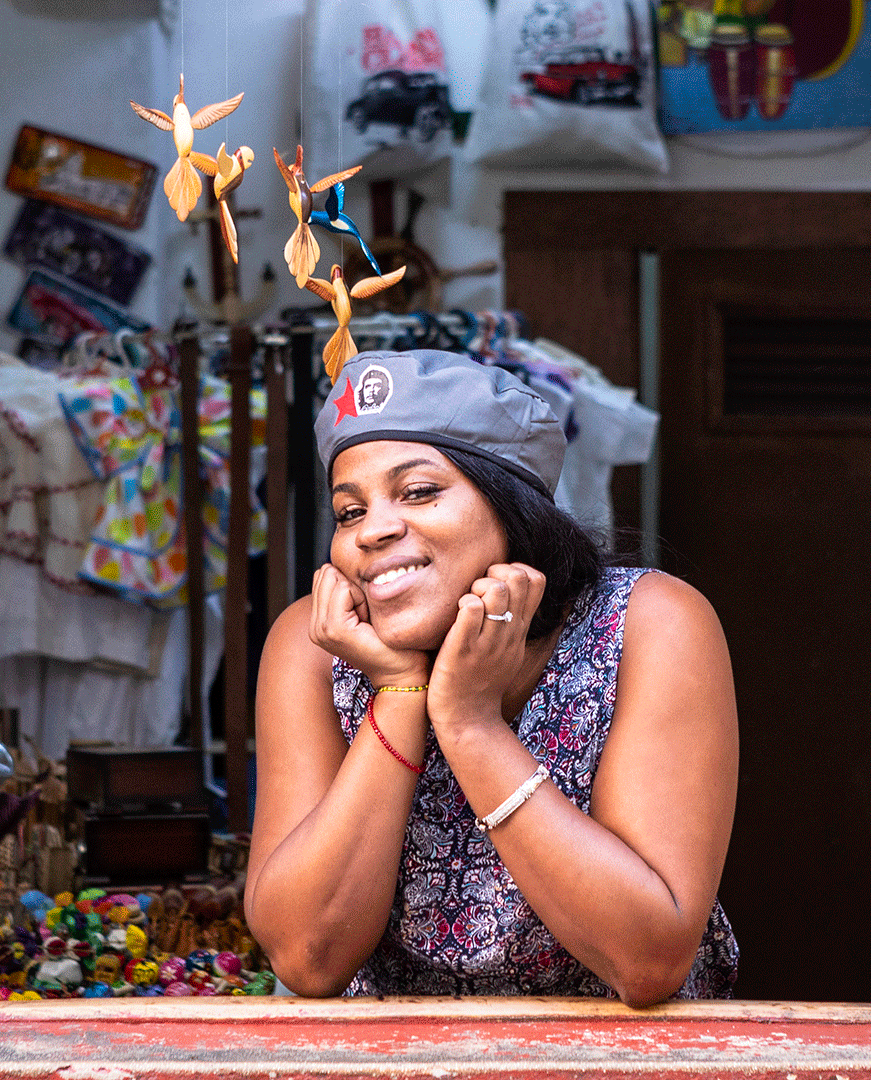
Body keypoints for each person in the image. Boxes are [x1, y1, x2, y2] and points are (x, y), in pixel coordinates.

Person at [246, 350, 739, 1004]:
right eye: (349, 511)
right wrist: (398, 695)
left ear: (512, 509)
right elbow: (308, 958)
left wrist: (469, 724)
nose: (371, 532)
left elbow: (645, 959)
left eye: (418, 491)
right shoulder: (315, 647)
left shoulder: (649, 625)